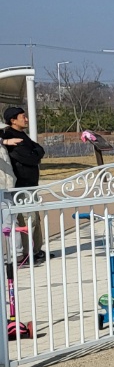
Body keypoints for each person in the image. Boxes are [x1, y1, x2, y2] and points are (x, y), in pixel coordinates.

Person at [2, 105, 46, 263]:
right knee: (27, 218)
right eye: (23, 117)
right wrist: (35, 155)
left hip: (31, 183)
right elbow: (30, 158)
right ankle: (27, 253)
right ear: (13, 120)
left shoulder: (22, 135)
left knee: (35, 217)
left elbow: (39, 150)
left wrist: (36, 154)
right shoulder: (9, 135)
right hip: (20, 184)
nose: (26, 119)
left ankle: (36, 250)